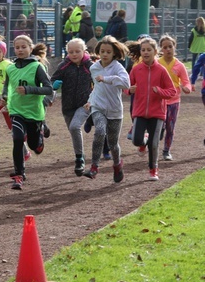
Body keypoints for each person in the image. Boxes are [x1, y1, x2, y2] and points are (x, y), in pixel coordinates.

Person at [1, 35, 53, 190]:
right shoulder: (10, 68)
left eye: (23, 47)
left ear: (31, 48)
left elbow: (49, 88)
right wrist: (4, 97)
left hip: (34, 113)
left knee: (34, 146)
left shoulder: (37, 67)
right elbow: (7, 86)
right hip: (16, 110)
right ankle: (19, 175)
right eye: (17, 47)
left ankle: (41, 132)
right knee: (17, 138)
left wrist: (29, 90)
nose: (20, 50)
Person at [127, 37, 176, 181]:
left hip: (157, 113)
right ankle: (144, 140)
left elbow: (171, 91)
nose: (146, 52)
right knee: (136, 140)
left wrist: (160, 91)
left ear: (155, 52)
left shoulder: (161, 70)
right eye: (143, 50)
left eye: (149, 50)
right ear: (140, 52)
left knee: (154, 144)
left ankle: (153, 170)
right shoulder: (136, 70)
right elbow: (126, 88)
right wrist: (130, 90)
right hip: (140, 112)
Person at [83, 36, 130, 182]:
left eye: (108, 52)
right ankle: (94, 167)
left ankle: (117, 165)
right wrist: (90, 101)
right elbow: (97, 88)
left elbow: (126, 84)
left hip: (115, 110)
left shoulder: (118, 67)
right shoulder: (94, 67)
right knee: (100, 131)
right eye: (102, 51)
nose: (104, 54)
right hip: (98, 107)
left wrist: (107, 78)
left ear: (114, 53)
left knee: (113, 145)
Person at [50, 38, 93, 176]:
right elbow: (51, 81)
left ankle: (79, 159)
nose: (74, 54)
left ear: (84, 51)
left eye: (77, 51)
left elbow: (99, 83)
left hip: (84, 104)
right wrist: (54, 85)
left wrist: (93, 99)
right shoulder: (64, 65)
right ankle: (80, 154)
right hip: (67, 106)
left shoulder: (90, 66)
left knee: (75, 127)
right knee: (74, 131)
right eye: (70, 52)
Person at [157, 35, 191, 162]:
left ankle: (166, 151)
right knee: (158, 125)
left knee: (170, 126)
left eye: (170, 47)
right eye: (165, 47)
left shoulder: (179, 65)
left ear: (174, 47)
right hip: (159, 99)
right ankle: (158, 133)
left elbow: (186, 81)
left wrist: (186, 87)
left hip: (174, 100)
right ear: (161, 49)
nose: (168, 50)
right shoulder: (157, 63)